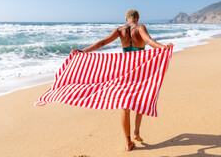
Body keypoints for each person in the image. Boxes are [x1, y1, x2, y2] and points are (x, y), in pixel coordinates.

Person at [71, 9, 173, 151]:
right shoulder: (140, 27)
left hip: (125, 71)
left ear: (126, 19)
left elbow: (101, 43)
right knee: (141, 99)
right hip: (140, 69)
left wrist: (82, 51)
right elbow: (149, 41)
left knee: (125, 107)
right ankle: (137, 131)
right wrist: (164, 48)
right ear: (137, 18)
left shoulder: (119, 30)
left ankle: (128, 142)